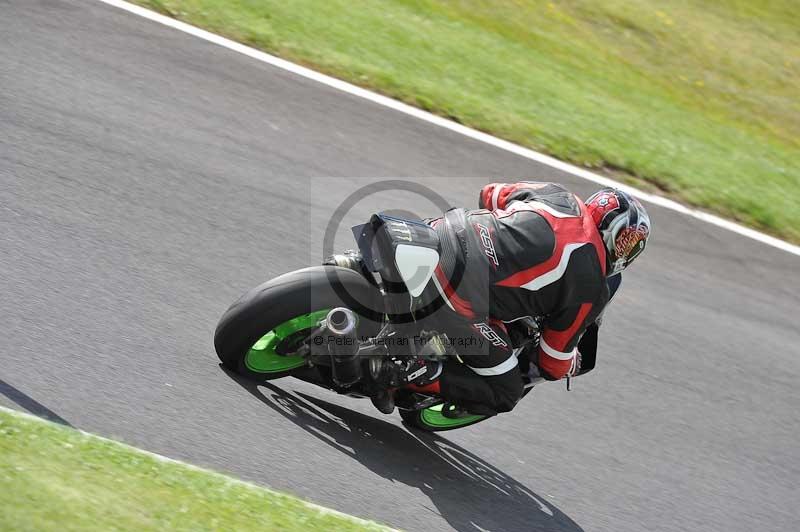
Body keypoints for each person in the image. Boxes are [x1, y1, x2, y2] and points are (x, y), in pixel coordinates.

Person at [371, 181, 651, 416]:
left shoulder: (558, 194)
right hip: (461, 296)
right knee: (506, 392)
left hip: (439, 231)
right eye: (627, 245)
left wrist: (509, 236)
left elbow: (490, 193)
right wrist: (572, 363)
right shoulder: (591, 286)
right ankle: (409, 371)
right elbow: (552, 361)